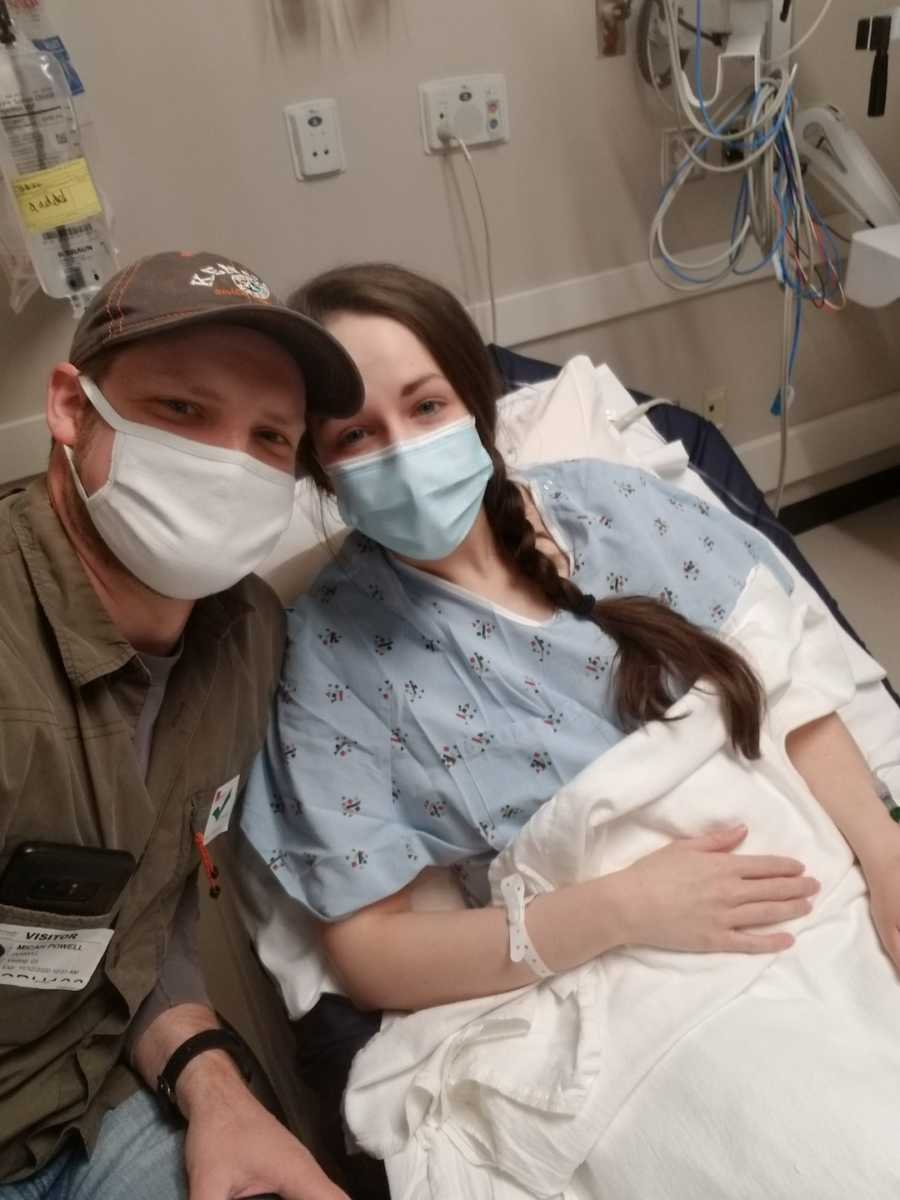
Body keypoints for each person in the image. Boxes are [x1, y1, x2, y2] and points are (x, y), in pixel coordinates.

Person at [237, 263, 900, 1182]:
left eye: (426, 407)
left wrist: (887, 856)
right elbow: (371, 953)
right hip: (638, 992)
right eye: (356, 435)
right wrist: (620, 910)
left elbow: (789, 692)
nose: (401, 450)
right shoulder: (332, 660)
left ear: (475, 399)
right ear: (321, 468)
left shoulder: (615, 507)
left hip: (821, 888)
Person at [0, 250, 365, 1200]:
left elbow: (148, 912)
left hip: (88, 1098)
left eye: (270, 439)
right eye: (182, 413)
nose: (224, 465)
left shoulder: (247, 641)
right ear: (73, 411)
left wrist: (216, 1089)